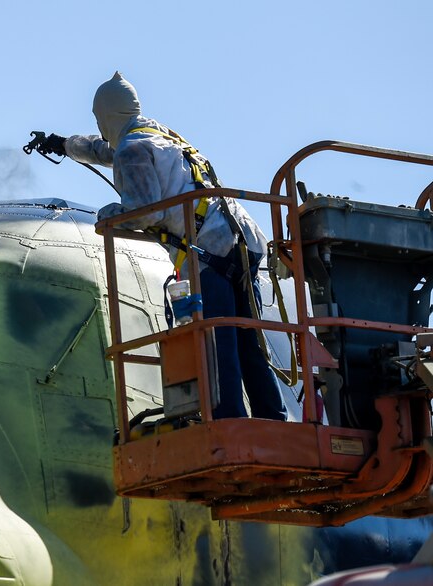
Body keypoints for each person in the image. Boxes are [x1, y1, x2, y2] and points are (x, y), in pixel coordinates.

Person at [43, 71, 286, 420]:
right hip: (241, 241)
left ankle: (229, 422)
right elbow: (105, 150)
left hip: (207, 253)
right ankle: (272, 420)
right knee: (250, 343)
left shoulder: (131, 150)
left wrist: (109, 216)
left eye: (99, 118)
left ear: (107, 116)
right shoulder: (158, 134)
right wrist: (64, 145)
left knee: (217, 344)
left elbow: (141, 210)